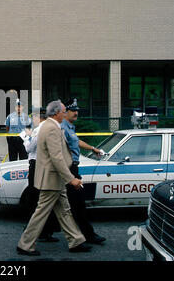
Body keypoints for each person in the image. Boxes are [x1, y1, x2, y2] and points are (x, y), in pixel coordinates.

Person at [17, 100, 92, 256]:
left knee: (64, 210)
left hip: (54, 179)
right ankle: (25, 245)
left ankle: (76, 241)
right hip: (51, 179)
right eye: (64, 111)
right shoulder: (51, 128)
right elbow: (56, 157)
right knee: (41, 213)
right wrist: (71, 178)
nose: (65, 114)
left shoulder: (49, 126)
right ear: (57, 113)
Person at [62, 98, 106, 245]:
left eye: (77, 111)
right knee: (78, 203)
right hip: (69, 169)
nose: (76, 113)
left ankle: (42, 232)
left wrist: (93, 149)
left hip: (72, 167)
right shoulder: (62, 128)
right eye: (73, 110)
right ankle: (88, 235)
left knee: (59, 204)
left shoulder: (70, 128)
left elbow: (77, 141)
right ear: (65, 112)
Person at [22, 107, 61, 242]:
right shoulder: (52, 127)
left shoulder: (38, 130)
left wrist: (27, 136)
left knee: (35, 198)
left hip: (36, 165)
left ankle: (37, 230)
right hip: (47, 165)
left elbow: (29, 148)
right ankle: (47, 229)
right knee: (46, 198)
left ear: (38, 117)